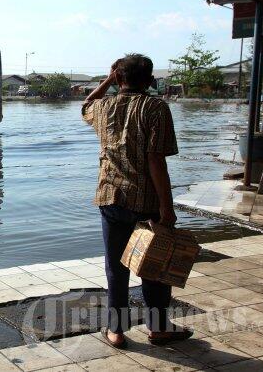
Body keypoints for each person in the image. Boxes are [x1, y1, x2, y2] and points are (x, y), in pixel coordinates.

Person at [81, 53, 193, 348]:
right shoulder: (156, 107)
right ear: (151, 80)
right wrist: (167, 209)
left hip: (111, 199)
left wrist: (108, 78)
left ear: (119, 78)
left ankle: (116, 331)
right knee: (153, 266)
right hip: (147, 202)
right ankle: (158, 327)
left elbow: (85, 105)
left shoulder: (103, 107)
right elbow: (156, 161)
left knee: (115, 267)